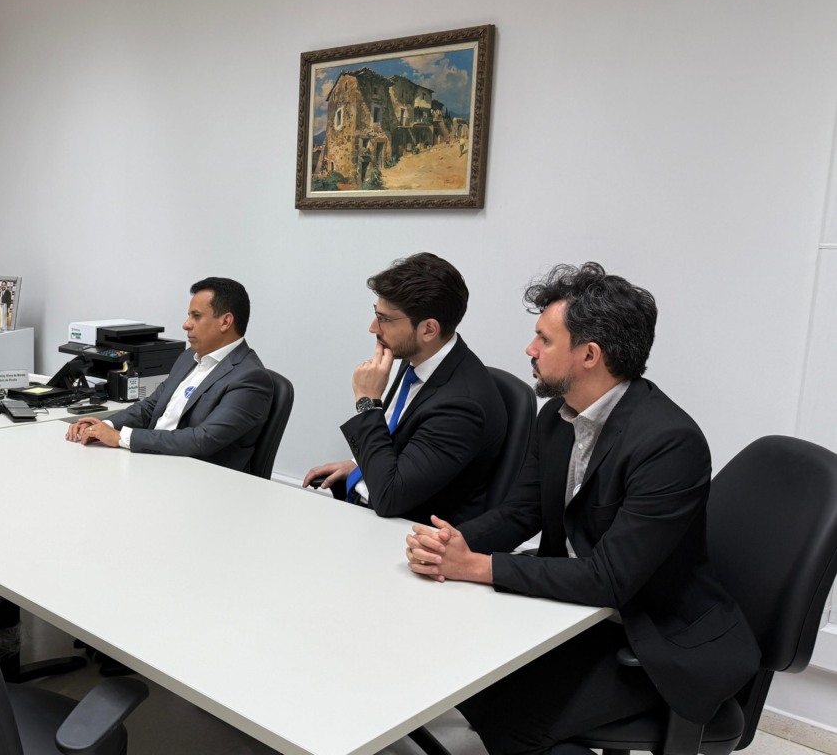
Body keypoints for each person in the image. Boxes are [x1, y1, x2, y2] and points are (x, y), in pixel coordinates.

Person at [404, 263, 759, 755]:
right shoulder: (557, 416)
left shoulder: (669, 443)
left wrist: (478, 566)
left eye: (544, 339)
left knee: (515, 721)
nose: (530, 350)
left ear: (589, 355)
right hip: (578, 614)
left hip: (654, 637)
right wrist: (450, 543)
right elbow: (521, 513)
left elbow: (610, 579)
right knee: (468, 680)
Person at [302, 252, 507, 524]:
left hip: (410, 531)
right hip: (371, 509)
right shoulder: (416, 357)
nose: (373, 328)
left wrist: (368, 402)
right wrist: (359, 466)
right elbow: (401, 444)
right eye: (376, 313)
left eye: (385, 319)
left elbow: (390, 498)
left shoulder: (462, 406)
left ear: (428, 329)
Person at [65, 277, 272, 472]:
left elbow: (202, 439)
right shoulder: (188, 357)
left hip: (194, 476)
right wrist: (104, 426)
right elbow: (151, 406)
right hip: (153, 459)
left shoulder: (250, 378)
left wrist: (120, 437)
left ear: (225, 322)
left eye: (196, 316)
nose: (186, 324)